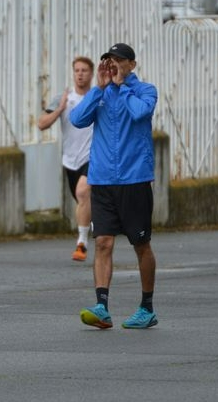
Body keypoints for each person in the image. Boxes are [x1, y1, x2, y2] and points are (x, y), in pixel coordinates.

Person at [69, 43, 159, 329]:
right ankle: (101, 306)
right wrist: (99, 88)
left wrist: (122, 86)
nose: (113, 65)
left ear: (131, 64)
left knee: (140, 244)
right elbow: (76, 119)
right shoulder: (101, 94)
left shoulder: (145, 90)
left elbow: (139, 114)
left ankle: (147, 307)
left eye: (119, 60)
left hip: (134, 179)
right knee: (104, 242)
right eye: (109, 60)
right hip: (103, 180)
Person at [37, 56, 94, 261]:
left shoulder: (96, 97)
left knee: (82, 191)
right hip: (71, 160)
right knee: (82, 200)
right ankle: (93, 225)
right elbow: (41, 124)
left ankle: (81, 243)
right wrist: (60, 109)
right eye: (77, 70)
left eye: (84, 70)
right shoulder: (64, 98)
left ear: (91, 73)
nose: (80, 74)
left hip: (92, 157)